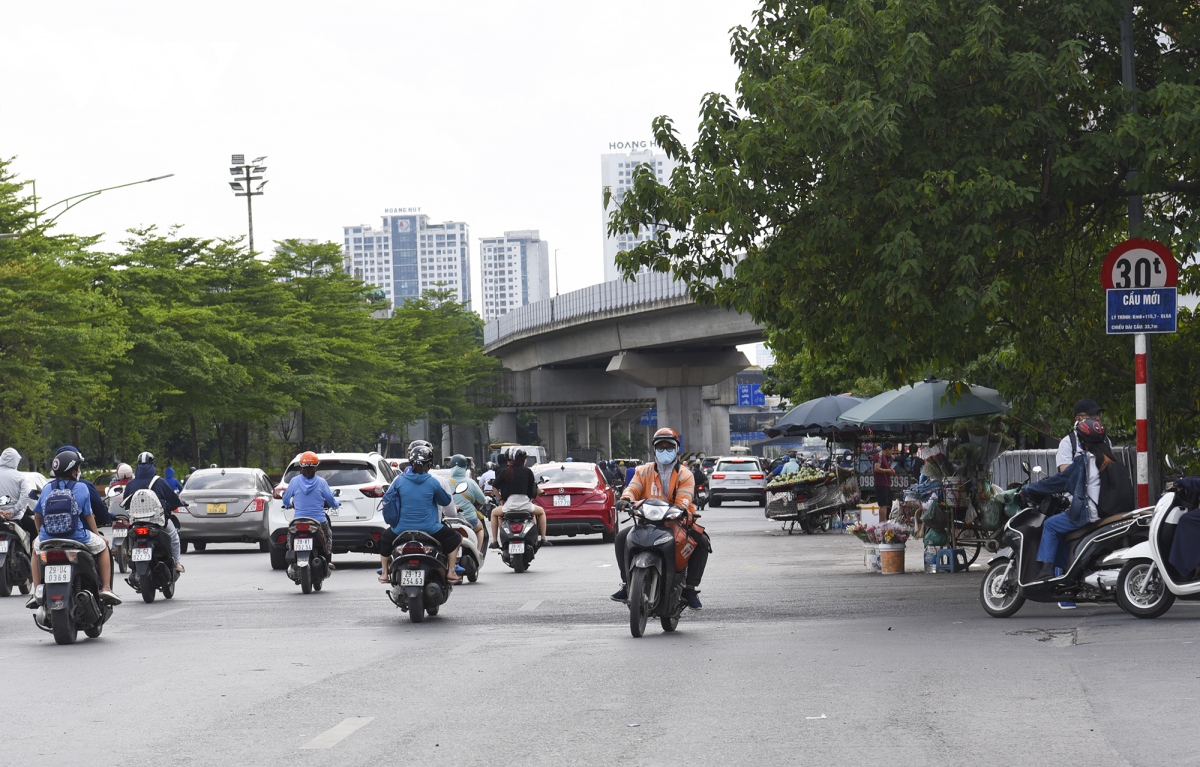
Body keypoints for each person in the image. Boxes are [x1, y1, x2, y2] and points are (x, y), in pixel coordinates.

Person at [1022, 417, 1134, 582]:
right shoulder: (1110, 459)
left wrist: (1028, 488)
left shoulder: (1084, 461)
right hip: (1109, 514)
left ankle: (1046, 570)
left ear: (1082, 440)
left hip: (1089, 514)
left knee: (1051, 525)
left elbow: (1059, 482)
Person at [610, 427, 710, 609]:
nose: (665, 451)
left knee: (702, 542)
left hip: (678, 521)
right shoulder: (643, 471)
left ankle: (689, 588)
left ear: (676, 449)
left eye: (669, 447)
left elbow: (685, 497)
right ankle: (627, 583)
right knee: (621, 538)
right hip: (647, 520)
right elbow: (633, 488)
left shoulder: (685, 474)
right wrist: (625, 500)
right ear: (654, 449)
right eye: (660, 447)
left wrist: (680, 508)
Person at [27, 449, 121, 607]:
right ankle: (105, 588)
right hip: (77, 537)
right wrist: (98, 535)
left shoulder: (47, 488)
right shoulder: (82, 487)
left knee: (35, 550)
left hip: (47, 538)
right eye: (78, 468)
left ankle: (36, 591)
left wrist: (41, 535)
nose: (79, 471)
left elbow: (37, 516)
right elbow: (88, 515)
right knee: (103, 546)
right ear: (73, 470)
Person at [379, 443, 462, 585]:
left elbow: (386, 500)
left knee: (385, 539)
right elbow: (446, 500)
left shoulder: (399, 480)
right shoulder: (433, 482)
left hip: (401, 529)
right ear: (429, 464)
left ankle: (385, 573)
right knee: (456, 538)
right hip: (430, 529)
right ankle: (451, 572)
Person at [120, 452, 185, 573]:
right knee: (174, 537)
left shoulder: (131, 484)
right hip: (158, 522)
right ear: (153, 465)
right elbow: (172, 499)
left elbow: (126, 504)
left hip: (136, 523)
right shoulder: (159, 482)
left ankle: (131, 555)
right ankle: (176, 563)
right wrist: (180, 503)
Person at [281, 451, 339, 561]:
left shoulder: (294, 481)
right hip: (319, 521)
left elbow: (285, 499)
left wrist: (288, 504)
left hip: (298, 520)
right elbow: (331, 500)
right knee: (328, 535)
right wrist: (336, 504)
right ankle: (327, 560)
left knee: (290, 537)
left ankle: (291, 556)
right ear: (316, 468)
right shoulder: (322, 482)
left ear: (301, 468)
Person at [489, 448, 548, 547]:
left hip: (509, 506)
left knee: (494, 513)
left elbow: (495, 487)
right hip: (526, 505)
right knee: (541, 512)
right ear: (523, 459)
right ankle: (543, 539)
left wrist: (500, 499)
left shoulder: (505, 471)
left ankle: (495, 541)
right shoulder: (528, 471)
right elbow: (533, 489)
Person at [448, 454, 488, 550]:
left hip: (449, 519)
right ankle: (477, 553)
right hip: (469, 518)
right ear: (465, 468)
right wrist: (487, 499)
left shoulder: (445, 482)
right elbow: (482, 500)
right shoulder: (471, 482)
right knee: (480, 528)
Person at [0, 447, 36, 540]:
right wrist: (13, 511)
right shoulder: (20, 477)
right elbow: (25, 496)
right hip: (15, 517)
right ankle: (33, 554)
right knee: (34, 528)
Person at [873, 443, 898, 521]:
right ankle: (882, 524)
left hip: (885, 483)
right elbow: (876, 468)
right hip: (881, 483)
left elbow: (886, 468)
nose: (892, 453)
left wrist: (891, 461)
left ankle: (882, 523)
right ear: (887, 450)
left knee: (884, 505)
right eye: (891, 450)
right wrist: (889, 470)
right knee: (884, 505)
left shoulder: (884, 457)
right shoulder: (879, 456)